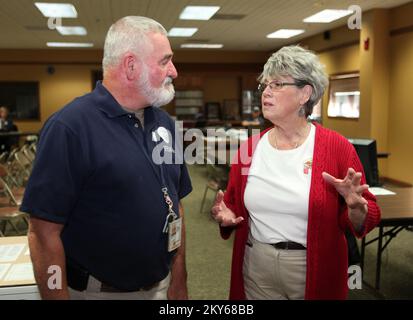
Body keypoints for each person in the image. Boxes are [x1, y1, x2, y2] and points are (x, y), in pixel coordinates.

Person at [21, 16, 192, 300]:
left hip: (160, 286)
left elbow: (176, 206)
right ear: (131, 65)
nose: (173, 71)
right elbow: (42, 232)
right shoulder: (70, 128)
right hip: (98, 292)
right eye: (164, 61)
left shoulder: (164, 123)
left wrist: (179, 278)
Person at [211, 45, 381, 300]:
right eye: (265, 85)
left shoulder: (336, 147)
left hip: (314, 266)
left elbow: (366, 213)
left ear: (305, 94)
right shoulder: (250, 148)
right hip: (257, 264)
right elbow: (235, 205)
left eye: (277, 84)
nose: (266, 92)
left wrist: (357, 209)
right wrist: (227, 214)